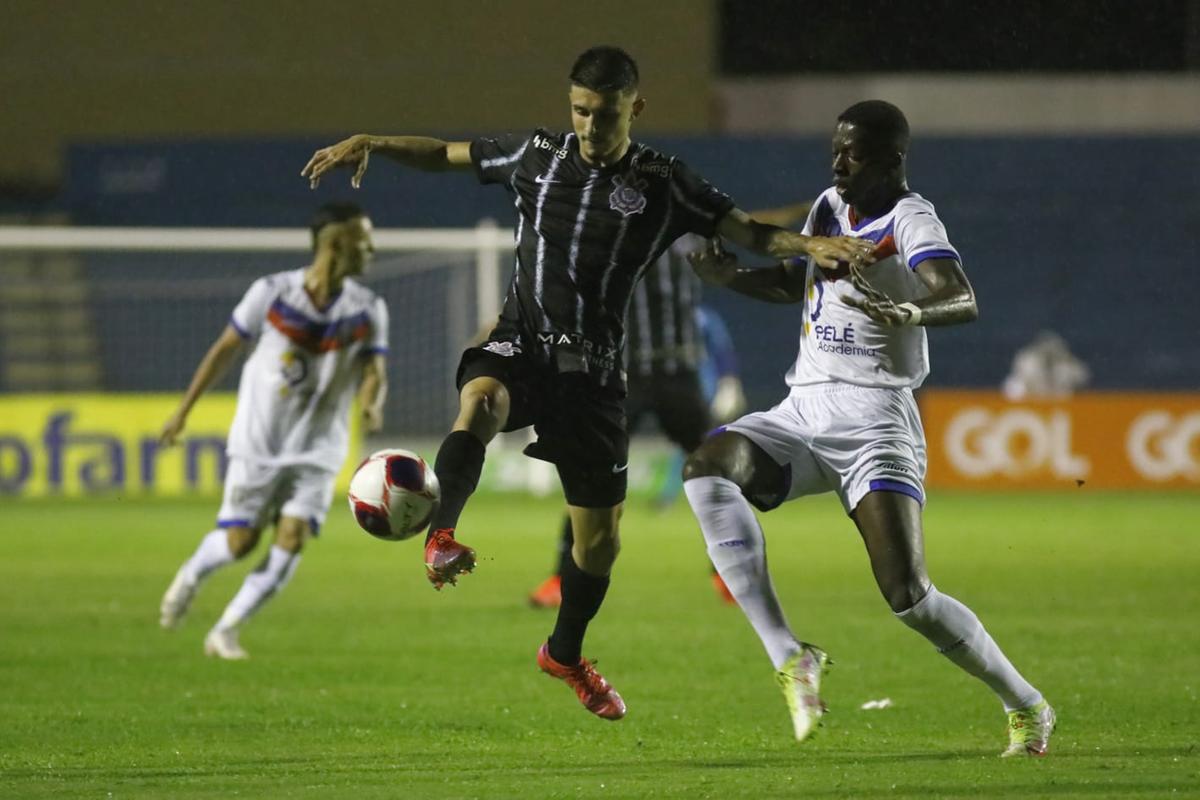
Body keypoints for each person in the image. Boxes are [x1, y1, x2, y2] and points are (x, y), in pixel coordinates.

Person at [300, 46, 874, 720]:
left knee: (597, 544)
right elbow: (446, 154)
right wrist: (375, 141)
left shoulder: (663, 177)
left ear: (635, 108)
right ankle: (440, 535)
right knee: (481, 400)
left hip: (596, 373)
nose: (589, 127)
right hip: (524, 340)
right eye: (579, 111)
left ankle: (565, 655)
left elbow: (743, 229)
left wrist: (807, 246)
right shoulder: (537, 155)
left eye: (603, 114)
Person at [682, 100, 1055, 757]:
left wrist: (910, 309)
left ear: (890, 161)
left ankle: (1025, 704)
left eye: (851, 152)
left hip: (877, 419)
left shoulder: (911, 217)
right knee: (707, 470)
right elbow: (797, 283)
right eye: (835, 148)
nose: (837, 161)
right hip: (803, 409)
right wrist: (730, 276)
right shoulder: (828, 205)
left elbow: (959, 294)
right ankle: (790, 655)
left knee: (909, 597)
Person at [158, 202, 388, 660]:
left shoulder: (368, 308)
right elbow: (224, 349)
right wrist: (183, 410)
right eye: (364, 240)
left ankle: (226, 629)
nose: (372, 249)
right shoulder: (271, 293)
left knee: (293, 536)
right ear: (335, 243)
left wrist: (372, 404)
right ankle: (190, 575)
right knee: (240, 542)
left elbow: (375, 370)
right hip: (260, 441)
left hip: (319, 448)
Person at [525, 234, 745, 610]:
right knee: (591, 472)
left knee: (716, 470)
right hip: (624, 373)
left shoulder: (689, 226)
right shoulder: (609, 229)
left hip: (679, 373)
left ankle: (730, 573)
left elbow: (750, 225)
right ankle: (564, 577)